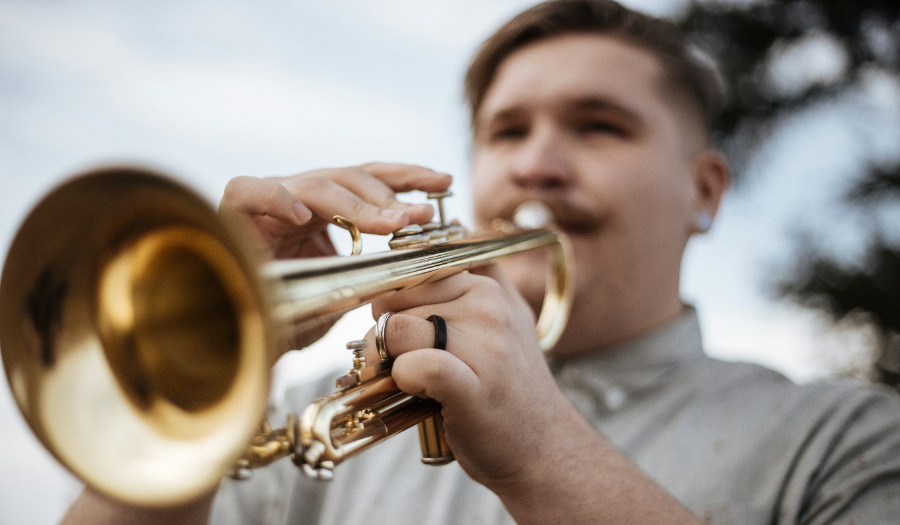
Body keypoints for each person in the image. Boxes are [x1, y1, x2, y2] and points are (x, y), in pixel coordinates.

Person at [61, 0, 900, 524]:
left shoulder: (851, 440)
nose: (536, 164)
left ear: (705, 191)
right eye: (507, 131)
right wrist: (199, 361)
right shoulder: (316, 408)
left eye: (600, 125)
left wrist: (544, 456)